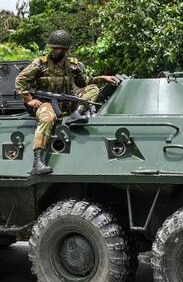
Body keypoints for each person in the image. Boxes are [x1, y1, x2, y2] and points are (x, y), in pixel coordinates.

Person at [15, 29, 119, 175]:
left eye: (58, 48)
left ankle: (77, 114)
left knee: (93, 89)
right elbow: (20, 80)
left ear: (65, 50)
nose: (55, 51)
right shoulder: (40, 64)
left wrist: (102, 78)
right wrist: (29, 100)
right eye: (53, 48)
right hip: (46, 102)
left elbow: (83, 83)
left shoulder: (72, 65)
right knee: (47, 118)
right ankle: (38, 161)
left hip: (67, 100)